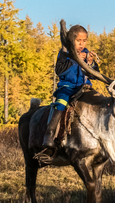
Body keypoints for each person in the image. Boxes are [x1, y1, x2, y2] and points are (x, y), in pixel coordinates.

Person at [35, 24, 100, 162]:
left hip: (84, 88)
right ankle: (49, 136)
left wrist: (90, 63)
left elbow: (94, 75)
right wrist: (75, 58)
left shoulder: (86, 54)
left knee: (96, 102)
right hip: (67, 88)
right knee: (61, 103)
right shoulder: (65, 53)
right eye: (78, 41)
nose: (82, 44)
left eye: (84, 41)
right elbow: (59, 70)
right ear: (71, 40)